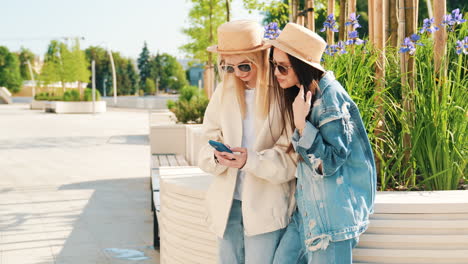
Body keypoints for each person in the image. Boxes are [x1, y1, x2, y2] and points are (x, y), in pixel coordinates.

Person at [266, 23, 377, 264]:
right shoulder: (306, 94)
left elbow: (329, 164)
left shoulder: (329, 98)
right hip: (308, 213)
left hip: (331, 222)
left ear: (302, 66)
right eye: (273, 65)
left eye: (283, 67)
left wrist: (303, 127)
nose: (276, 73)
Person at [197, 20, 298, 264]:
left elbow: (291, 160)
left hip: (266, 205)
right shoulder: (224, 92)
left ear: (261, 59)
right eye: (228, 67)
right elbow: (206, 142)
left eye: (244, 66)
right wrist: (216, 156)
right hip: (226, 203)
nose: (238, 74)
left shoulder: (283, 95)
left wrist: (248, 160)